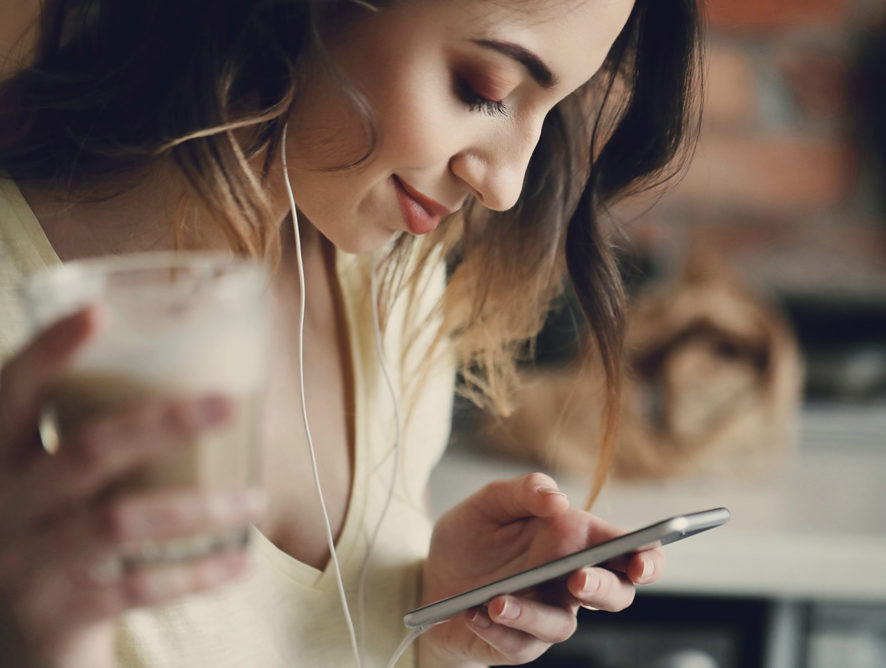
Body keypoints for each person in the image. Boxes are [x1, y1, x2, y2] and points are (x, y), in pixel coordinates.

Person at [0, 0, 702, 666]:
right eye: (484, 87)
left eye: (554, 110)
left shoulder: (399, 291)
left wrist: (433, 628)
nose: (506, 186)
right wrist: (45, 643)